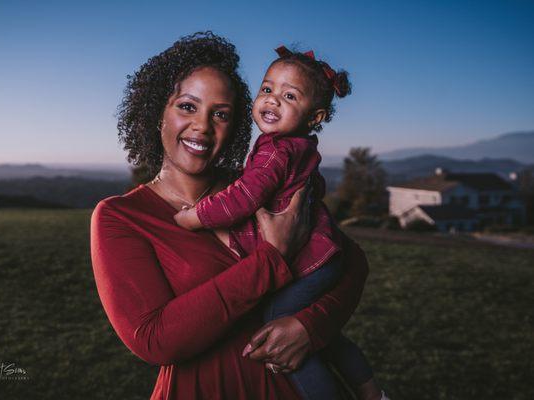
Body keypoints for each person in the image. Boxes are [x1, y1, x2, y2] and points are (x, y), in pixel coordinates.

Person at [90, 32, 370, 400]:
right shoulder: (121, 216)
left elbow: (351, 262)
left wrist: (310, 326)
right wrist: (272, 260)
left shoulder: (261, 189)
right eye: (187, 106)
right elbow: (154, 341)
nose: (203, 127)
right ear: (157, 108)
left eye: (220, 114)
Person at [173, 45, 386, 400]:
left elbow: (243, 198)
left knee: (281, 338)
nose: (272, 100)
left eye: (289, 96)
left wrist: (193, 217)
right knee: (328, 337)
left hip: (309, 263)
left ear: (314, 116)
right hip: (323, 257)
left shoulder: (276, 149)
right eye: (267, 89)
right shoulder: (301, 146)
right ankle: (372, 393)